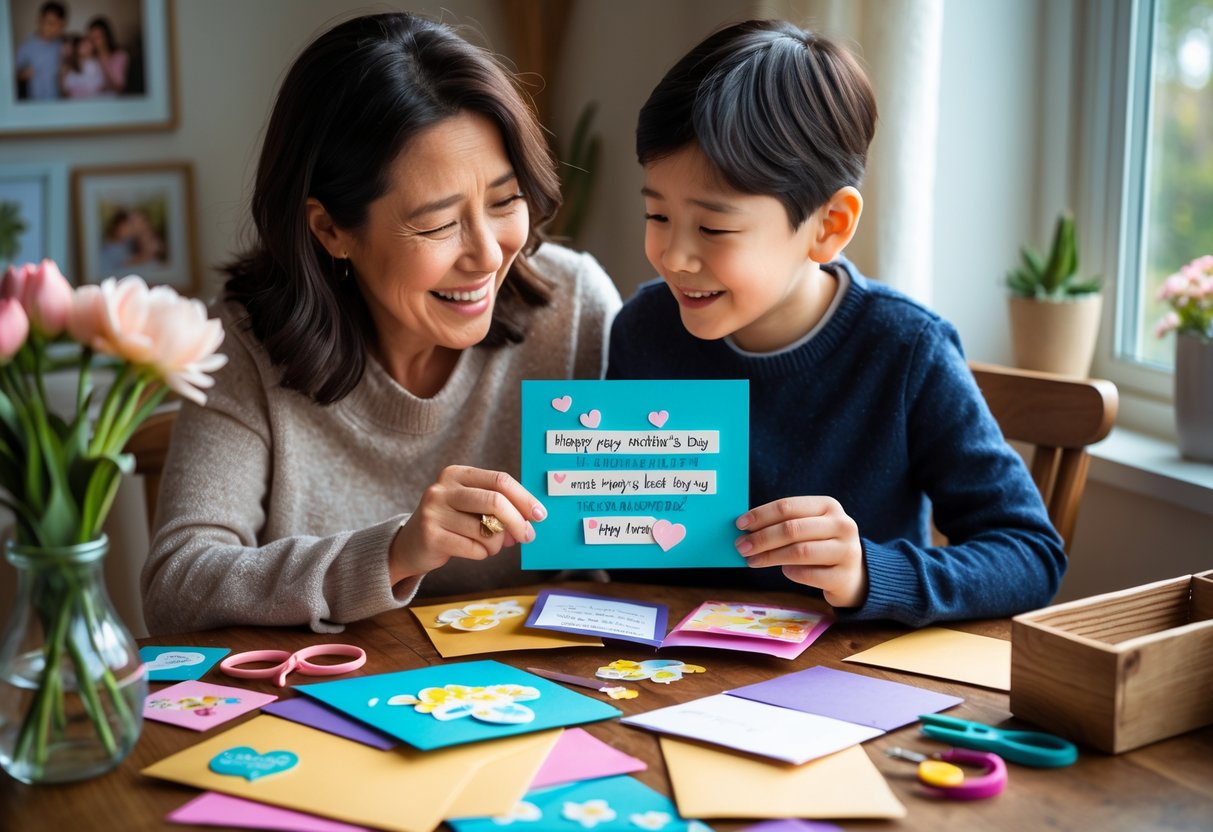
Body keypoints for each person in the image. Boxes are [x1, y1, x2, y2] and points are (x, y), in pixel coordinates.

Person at [140, 12, 621, 635]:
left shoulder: (575, 307)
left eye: (505, 202)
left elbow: (659, 538)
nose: (487, 253)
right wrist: (392, 553)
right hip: (328, 708)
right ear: (332, 230)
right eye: (439, 224)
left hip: (547, 700)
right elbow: (177, 586)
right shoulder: (246, 344)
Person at [607, 20, 1066, 626]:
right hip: (672, 672)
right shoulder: (643, 331)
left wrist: (870, 571)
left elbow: (1031, 555)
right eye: (656, 214)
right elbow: (623, 560)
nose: (673, 256)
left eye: (713, 228)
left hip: (850, 682)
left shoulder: (906, 350)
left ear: (828, 226)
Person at [14, 2, 67, 101]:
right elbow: (14, 75)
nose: (54, 29)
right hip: (34, 106)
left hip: (57, 104)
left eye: (58, 25)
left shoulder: (62, 45)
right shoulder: (26, 46)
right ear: (40, 19)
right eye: (50, 23)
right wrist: (22, 75)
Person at [85, 16, 128, 94]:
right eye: (91, 38)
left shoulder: (119, 56)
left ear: (107, 37)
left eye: (97, 37)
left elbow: (119, 87)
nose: (93, 42)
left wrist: (103, 63)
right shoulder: (88, 57)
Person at [61, 32, 108, 99]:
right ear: (77, 48)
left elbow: (99, 83)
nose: (89, 48)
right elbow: (67, 86)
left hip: (92, 98)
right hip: (76, 99)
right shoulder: (72, 65)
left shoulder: (93, 63)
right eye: (84, 46)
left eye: (89, 46)